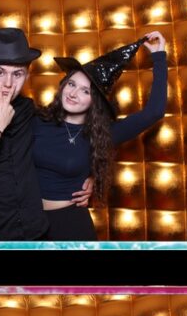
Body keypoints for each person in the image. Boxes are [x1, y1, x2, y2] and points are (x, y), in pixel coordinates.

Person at [0, 28, 91, 240]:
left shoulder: (30, 110)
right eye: (0, 72)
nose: (8, 83)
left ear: (28, 75)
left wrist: (88, 176)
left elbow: (71, 138)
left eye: (17, 74)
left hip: (35, 233)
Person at [34, 32, 168, 240]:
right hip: (30, 223)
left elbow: (154, 112)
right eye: (71, 84)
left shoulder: (102, 134)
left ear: (94, 101)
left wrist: (159, 57)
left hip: (70, 225)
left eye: (85, 91)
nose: (73, 93)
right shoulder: (36, 120)